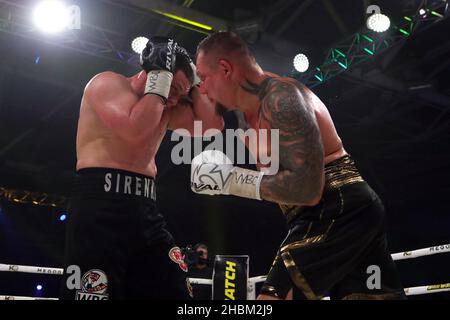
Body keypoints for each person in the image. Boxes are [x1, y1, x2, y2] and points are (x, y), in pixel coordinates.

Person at [190, 31, 406, 300]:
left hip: (338, 206)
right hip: (322, 215)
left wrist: (229, 180)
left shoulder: (282, 99)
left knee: (270, 300)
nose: (202, 88)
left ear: (225, 69)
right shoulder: (244, 113)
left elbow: (307, 189)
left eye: (203, 77)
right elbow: (206, 121)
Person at [61, 36, 224, 300]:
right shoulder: (107, 84)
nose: (174, 100)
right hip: (100, 207)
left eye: (181, 93)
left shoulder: (167, 106)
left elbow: (213, 127)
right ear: (154, 74)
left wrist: (194, 85)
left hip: (145, 209)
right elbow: (136, 130)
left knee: (175, 289)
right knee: (91, 294)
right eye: (173, 90)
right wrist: (161, 81)